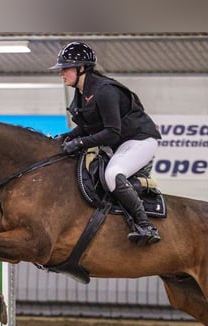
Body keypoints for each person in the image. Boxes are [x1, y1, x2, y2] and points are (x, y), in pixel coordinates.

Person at [50, 41, 162, 246]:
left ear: (82, 68)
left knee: (112, 174)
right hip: (119, 143)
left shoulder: (105, 90)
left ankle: (145, 224)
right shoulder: (82, 94)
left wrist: (79, 143)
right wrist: (65, 137)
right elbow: (87, 127)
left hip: (139, 139)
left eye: (65, 68)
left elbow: (111, 132)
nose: (61, 73)